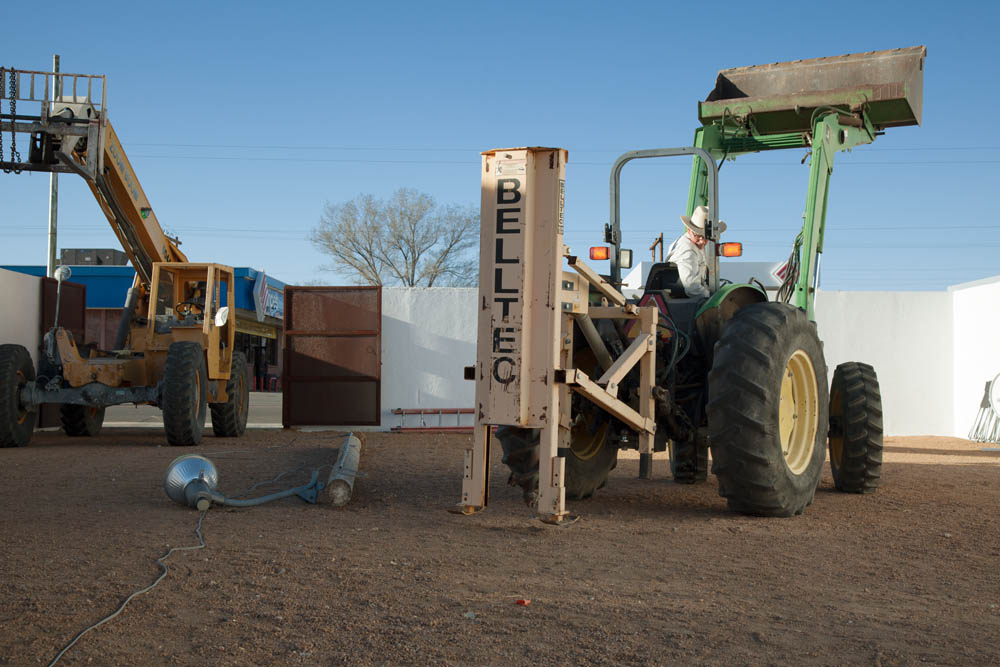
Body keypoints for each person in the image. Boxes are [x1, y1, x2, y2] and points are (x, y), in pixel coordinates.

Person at [665, 205, 726, 298]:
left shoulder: (693, 244)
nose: (702, 241)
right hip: (683, 298)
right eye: (698, 235)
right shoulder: (687, 250)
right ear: (689, 230)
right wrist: (712, 299)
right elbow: (692, 288)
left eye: (705, 237)